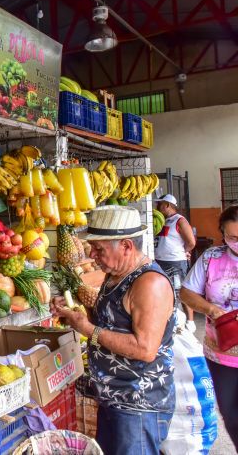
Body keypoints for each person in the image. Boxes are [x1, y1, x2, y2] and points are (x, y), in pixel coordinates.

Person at [52, 206, 176, 455]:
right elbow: (109, 323)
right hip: (113, 399)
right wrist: (74, 315)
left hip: (138, 403)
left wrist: (87, 329)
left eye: (100, 249)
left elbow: (145, 349)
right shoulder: (114, 275)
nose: (94, 256)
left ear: (127, 246)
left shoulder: (150, 284)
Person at [179, 205, 238, 450]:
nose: (237, 242)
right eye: (232, 237)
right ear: (222, 234)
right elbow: (186, 292)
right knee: (232, 416)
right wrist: (211, 309)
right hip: (221, 356)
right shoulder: (212, 258)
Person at [154, 194, 196, 328]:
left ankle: (190, 322)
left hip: (175, 263)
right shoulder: (162, 220)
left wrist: (183, 252)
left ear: (167, 205)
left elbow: (191, 242)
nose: (157, 206)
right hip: (160, 262)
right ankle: (172, 321)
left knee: (181, 292)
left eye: (159, 204)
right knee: (165, 291)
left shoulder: (180, 220)